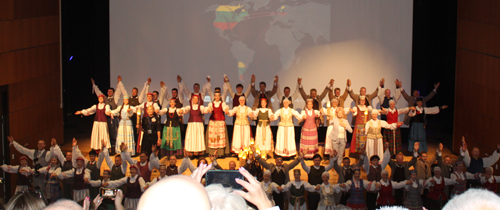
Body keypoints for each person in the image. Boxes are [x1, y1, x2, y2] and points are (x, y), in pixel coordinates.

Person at [91, 76, 124, 149]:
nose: (109, 93)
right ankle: (106, 147)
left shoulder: (115, 99)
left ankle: (114, 147)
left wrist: (119, 83)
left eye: (111, 91)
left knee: (114, 133)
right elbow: (98, 92)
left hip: (113, 119)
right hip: (106, 119)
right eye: (108, 91)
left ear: (113, 92)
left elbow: (118, 92)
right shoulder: (105, 99)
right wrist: (94, 85)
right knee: (106, 133)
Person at [119, 78, 151, 143]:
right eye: (132, 91)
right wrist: (120, 82)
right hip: (129, 119)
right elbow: (124, 91)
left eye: (135, 92)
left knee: (136, 133)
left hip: (135, 119)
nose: (133, 93)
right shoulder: (129, 99)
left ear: (137, 93)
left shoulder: (139, 99)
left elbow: (143, 92)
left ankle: (136, 145)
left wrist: (146, 84)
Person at [362, 144, 390, 210]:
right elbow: (365, 164)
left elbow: (386, 160)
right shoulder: (368, 169)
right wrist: (365, 155)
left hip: (379, 191)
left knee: (378, 206)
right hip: (370, 192)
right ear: (371, 161)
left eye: (377, 160)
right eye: (374, 160)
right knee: (370, 206)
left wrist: (387, 149)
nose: (376, 161)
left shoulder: (381, 167)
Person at [205, 90, 230, 156]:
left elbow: (225, 108)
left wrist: (226, 110)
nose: (217, 97)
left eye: (218, 96)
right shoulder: (211, 103)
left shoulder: (222, 103)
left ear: (220, 96)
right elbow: (209, 108)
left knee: (220, 138)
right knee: (213, 137)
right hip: (213, 123)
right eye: (215, 96)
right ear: (214, 96)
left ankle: (220, 153)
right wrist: (209, 109)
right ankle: (212, 153)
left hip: (220, 123)